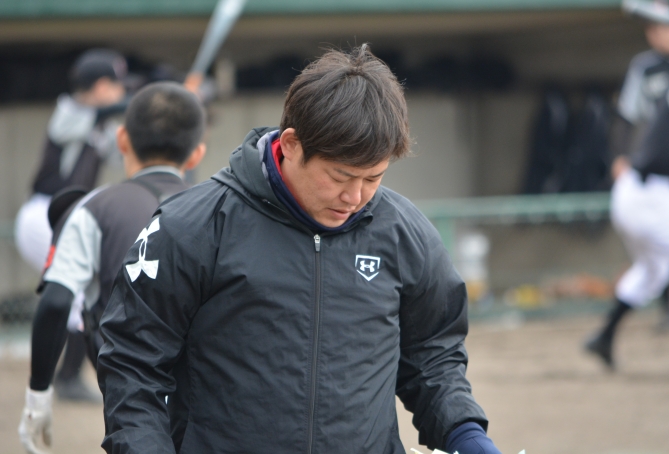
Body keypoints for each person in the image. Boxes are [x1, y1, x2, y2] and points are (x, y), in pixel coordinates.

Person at [97, 45, 500, 454]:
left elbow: (434, 358)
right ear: (291, 144)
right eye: (340, 177)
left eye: (373, 178)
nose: (355, 197)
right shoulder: (193, 226)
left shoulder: (405, 233)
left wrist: (466, 435)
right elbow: (133, 363)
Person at [18, 81, 206, 454]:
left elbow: (56, 302)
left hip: (133, 404)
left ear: (122, 140)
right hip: (209, 400)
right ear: (197, 153)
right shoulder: (219, 209)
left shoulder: (93, 207)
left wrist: (38, 395)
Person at [14, 49, 129, 401]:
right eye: (116, 84)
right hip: (44, 214)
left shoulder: (101, 124)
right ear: (100, 86)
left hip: (64, 215)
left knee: (84, 290)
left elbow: (124, 147)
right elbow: (102, 112)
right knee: (78, 290)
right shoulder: (69, 110)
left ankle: (67, 376)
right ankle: (67, 378)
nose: (121, 91)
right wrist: (150, 94)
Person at [586, 0, 669, 369]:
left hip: (649, 194)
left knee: (653, 271)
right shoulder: (654, 69)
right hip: (647, 193)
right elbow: (626, 116)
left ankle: (604, 336)